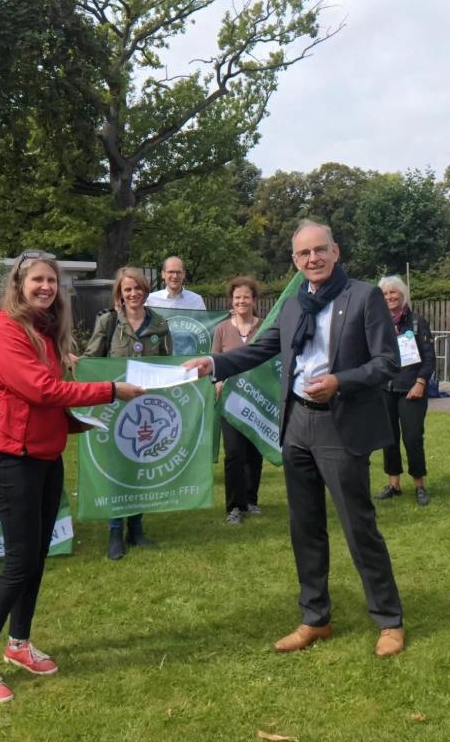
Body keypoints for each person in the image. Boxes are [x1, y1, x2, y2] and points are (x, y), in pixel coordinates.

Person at [185, 219, 407, 659]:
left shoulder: (363, 297)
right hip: (298, 424)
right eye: (304, 253)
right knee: (304, 528)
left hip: (340, 425)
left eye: (320, 249)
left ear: (336, 251)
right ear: (295, 260)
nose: (313, 258)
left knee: (358, 526)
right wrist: (215, 362)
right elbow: (261, 348)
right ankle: (315, 617)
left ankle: (389, 619)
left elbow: (387, 362)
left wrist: (340, 381)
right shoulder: (292, 306)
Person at [0, 251, 144, 704]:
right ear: (19, 285)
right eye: (38, 280)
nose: (46, 287)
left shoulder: (43, 331)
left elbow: (44, 400)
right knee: (19, 563)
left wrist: (75, 422)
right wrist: (110, 391)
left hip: (45, 455)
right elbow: (40, 390)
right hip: (13, 459)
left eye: (52, 281)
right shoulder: (4, 329)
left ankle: (18, 643)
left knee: (37, 557)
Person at [83, 267, 173, 560]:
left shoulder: (159, 324)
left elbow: (169, 363)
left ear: (145, 291)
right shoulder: (108, 321)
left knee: (139, 467)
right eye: (127, 289)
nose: (133, 294)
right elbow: (92, 359)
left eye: (138, 288)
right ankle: (114, 531)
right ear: (120, 294)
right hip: (114, 408)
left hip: (147, 409)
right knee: (116, 469)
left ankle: (136, 529)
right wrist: (77, 363)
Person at [375, 275, 436, 507]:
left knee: (412, 438)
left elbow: (429, 359)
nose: (389, 297)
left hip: (411, 389)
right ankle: (394, 484)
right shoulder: (377, 323)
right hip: (385, 389)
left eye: (393, 292)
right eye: (384, 293)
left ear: (403, 295)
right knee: (388, 438)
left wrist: (420, 383)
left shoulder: (418, 323)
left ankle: (419, 485)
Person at [212, 276, 265, 524]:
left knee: (254, 452)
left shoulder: (265, 328)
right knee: (234, 453)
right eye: (237, 297)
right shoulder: (222, 329)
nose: (241, 301)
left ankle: (251, 500)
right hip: (230, 402)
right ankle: (234, 506)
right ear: (231, 301)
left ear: (254, 300)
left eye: (246, 297)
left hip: (258, 400)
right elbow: (215, 363)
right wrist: (218, 381)